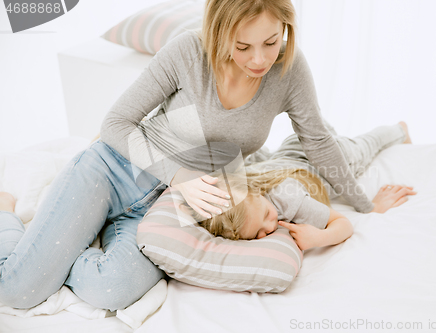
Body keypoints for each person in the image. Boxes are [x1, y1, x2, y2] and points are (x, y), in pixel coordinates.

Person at [0, 0, 411, 310]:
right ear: (218, 32)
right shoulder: (187, 53)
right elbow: (116, 124)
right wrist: (180, 177)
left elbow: (318, 141)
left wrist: (363, 205)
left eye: (271, 41)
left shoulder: (288, 69)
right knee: (19, 290)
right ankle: (9, 212)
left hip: (168, 211)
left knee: (112, 290)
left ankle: (68, 241)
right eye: (243, 45)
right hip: (114, 172)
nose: (259, 59)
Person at [195, 122, 417, 250]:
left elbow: (342, 223)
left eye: (265, 214)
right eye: (258, 233)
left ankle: (400, 130)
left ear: (257, 191)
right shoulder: (243, 183)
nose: (269, 226)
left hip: (328, 157)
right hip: (292, 147)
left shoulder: (288, 200)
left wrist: (319, 238)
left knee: (364, 147)